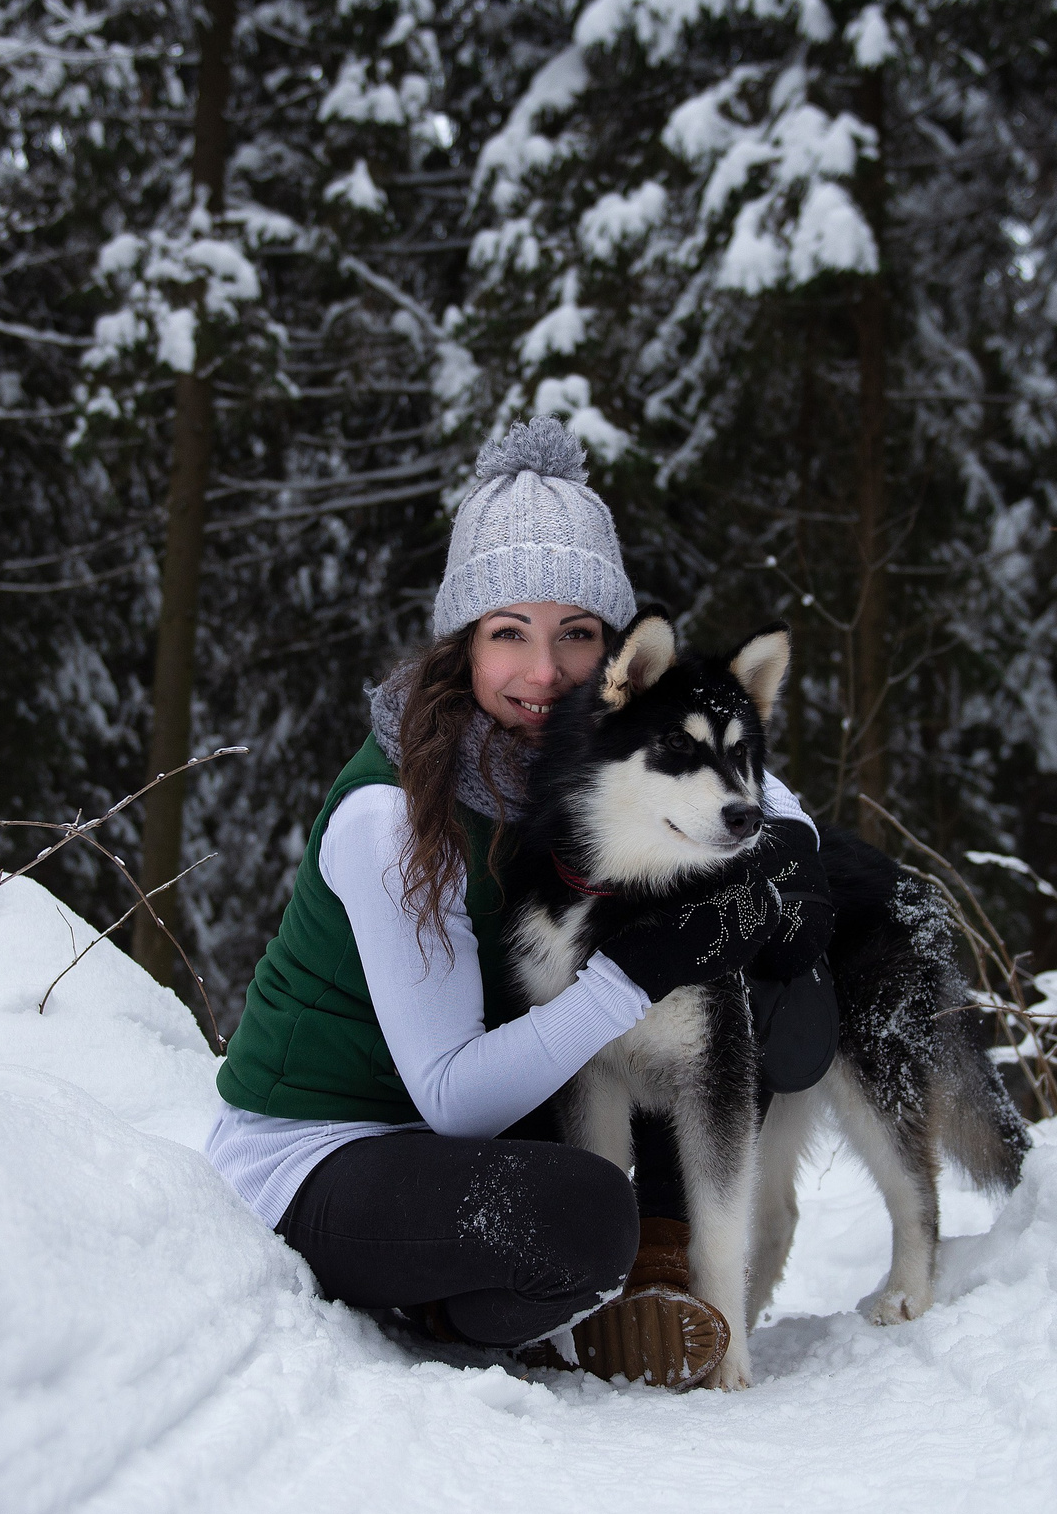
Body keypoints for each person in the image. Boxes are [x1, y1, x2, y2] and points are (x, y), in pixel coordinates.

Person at [204, 417, 836, 1388]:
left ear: (613, 651)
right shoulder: (390, 814)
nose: (544, 673)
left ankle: (640, 1276)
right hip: (327, 1151)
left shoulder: (583, 758)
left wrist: (780, 869)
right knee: (576, 1216)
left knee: (706, 1019)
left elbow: (764, 802)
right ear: (463, 644)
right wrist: (634, 972)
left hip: (482, 1126)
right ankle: (465, 1296)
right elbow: (451, 1096)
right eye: (509, 634)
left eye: (575, 634)